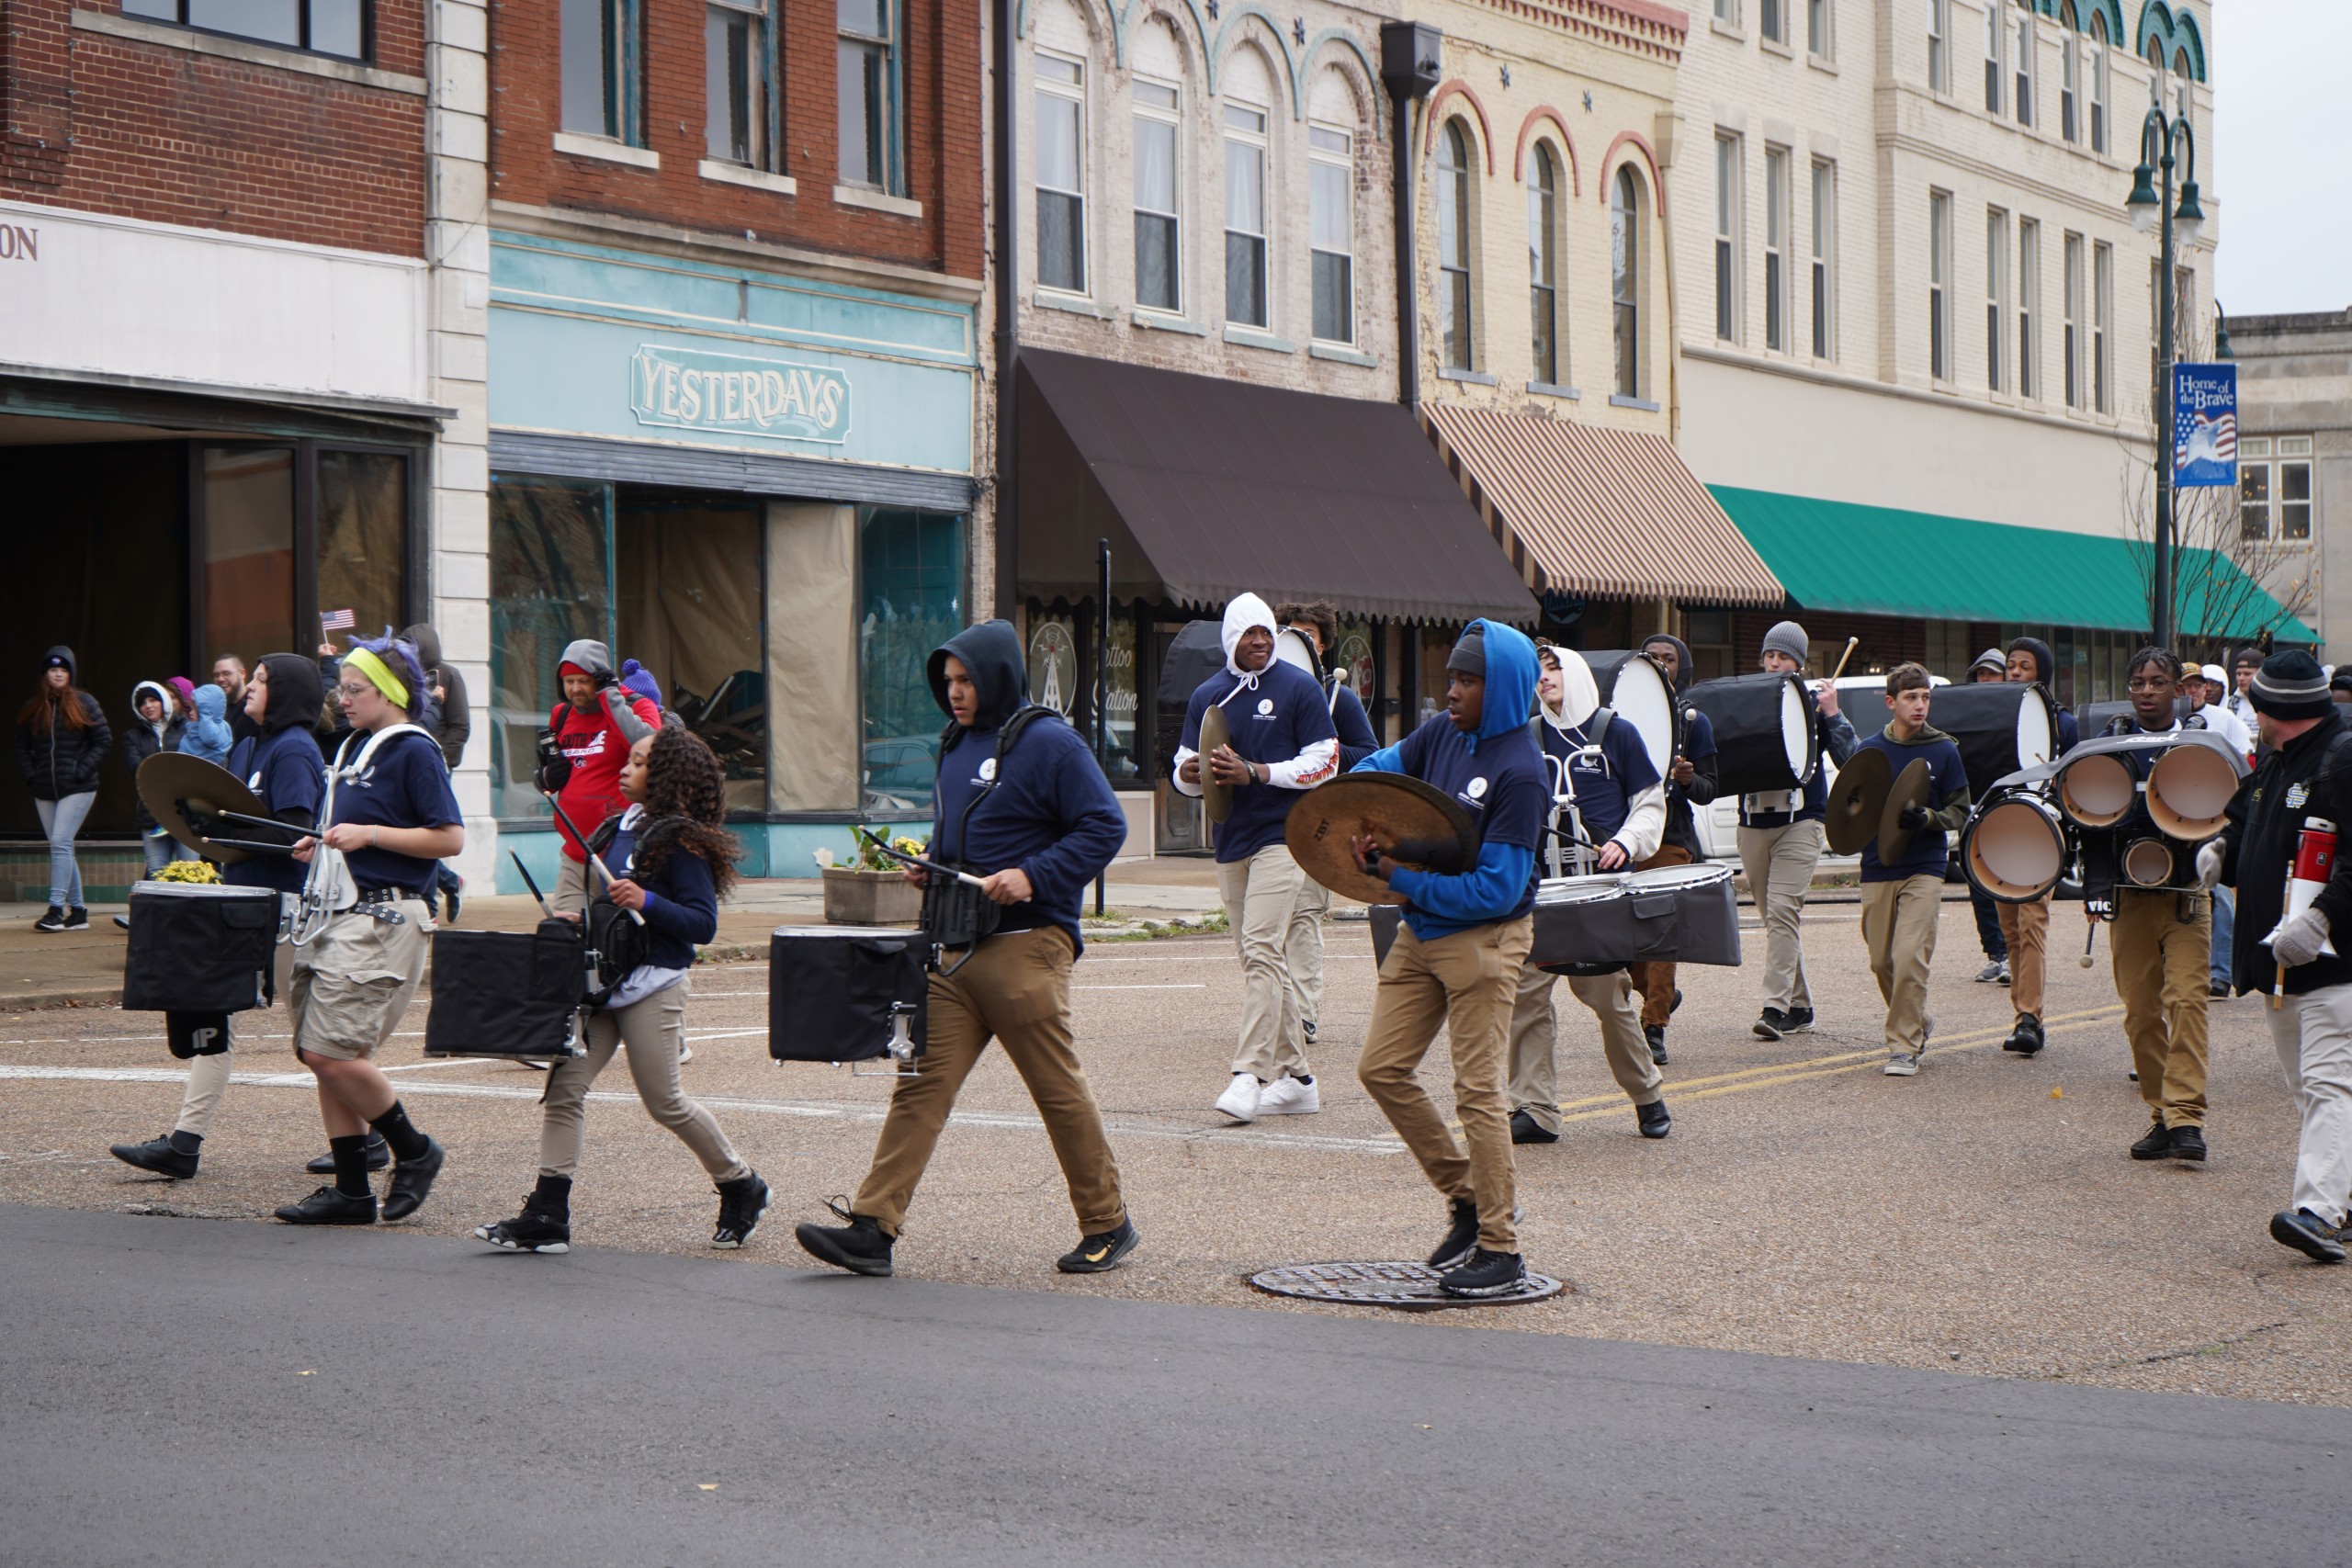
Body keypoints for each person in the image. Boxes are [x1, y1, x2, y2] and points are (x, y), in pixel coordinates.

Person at [795, 621, 1136, 1278]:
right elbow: (967, 838)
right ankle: (874, 1227)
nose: (954, 692)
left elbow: (1105, 826)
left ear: (997, 676)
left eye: (966, 680)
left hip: (1025, 945)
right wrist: (931, 862)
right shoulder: (957, 745)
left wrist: (1034, 874)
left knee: (1055, 1090)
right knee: (918, 1086)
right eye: (947, 681)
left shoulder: (1051, 744)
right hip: (954, 947)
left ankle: (1108, 1223)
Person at [476, 728, 769, 1255]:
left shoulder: (681, 841)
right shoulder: (617, 828)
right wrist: (576, 918)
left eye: (637, 763)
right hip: (604, 983)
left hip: (654, 983)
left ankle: (741, 1184)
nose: (625, 770)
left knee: (665, 1102)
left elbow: (702, 924)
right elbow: (605, 906)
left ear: (667, 779)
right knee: (565, 1089)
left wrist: (645, 901)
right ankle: (547, 1213)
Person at [1348, 621, 1548, 1298]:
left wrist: (1400, 880)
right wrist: (1356, 795)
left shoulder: (1520, 771)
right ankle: (1468, 1197)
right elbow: (1384, 765)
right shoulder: (1441, 734)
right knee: (1380, 1068)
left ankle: (1502, 1248)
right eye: (1452, 677)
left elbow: (1496, 887)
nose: (1451, 689)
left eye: (1467, 680)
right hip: (1421, 931)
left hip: (1484, 940)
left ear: (1504, 689)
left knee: (1479, 1093)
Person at [109, 655, 332, 1181]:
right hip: (239, 903)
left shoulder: (295, 749)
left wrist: (219, 830)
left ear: (285, 692)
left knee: (318, 1041)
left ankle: (376, 1139)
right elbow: (230, 817)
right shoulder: (249, 744)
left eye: (259, 679)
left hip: (282, 910)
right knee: (213, 1020)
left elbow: (291, 835)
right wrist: (199, 821)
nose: (249, 687)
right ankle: (184, 1144)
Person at [273, 633, 463, 1225]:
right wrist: (325, 844)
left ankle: (415, 1151)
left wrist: (369, 837)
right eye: (342, 689)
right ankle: (352, 1191)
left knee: (327, 1051)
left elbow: (449, 838)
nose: (343, 700)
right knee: (323, 1051)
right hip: (342, 911)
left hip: (384, 915)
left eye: (354, 690)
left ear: (388, 693)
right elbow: (357, 827)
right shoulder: (361, 745)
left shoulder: (414, 749)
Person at [1170, 593, 1339, 1122]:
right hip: (1231, 840)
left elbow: (1326, 760)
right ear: (1231, 640)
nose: (1261, 642)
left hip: (1285, 838)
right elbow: (1181, 764)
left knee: (1264, 946)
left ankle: (1249, 1074)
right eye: (1250, 635)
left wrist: (1259, 772)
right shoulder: (1208, 696)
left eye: (1266, 633)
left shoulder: (1299, 686)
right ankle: (1301, 1082)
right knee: (1256, 960)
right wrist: (1190, 776)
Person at [2209, 651, 2352, 1261]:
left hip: (2334, 959)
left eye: (2258, 704)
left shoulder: (2341, 758)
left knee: (2327, 1083)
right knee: (2309, 1088)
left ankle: (2319, 1212)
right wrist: (2222, 849)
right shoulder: (2277, 758)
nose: (2251, 711)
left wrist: (2323, 917)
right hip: (2279, 962)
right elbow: (2248, 819)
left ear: (2277, 710)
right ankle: (2342, 1201)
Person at [1507, 647, 1671, 1142]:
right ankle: (1535, 1109)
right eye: (1539, 672)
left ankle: (1647, 1095)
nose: (1545, 679)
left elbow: (1649, 804)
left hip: (1598, 889)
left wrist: (1625, 841)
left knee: (1608, 997)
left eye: (1554, 669)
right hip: (1541, 890)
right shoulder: (1526, 736)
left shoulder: (1616, 732)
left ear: (1574, 673)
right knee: (1526, 996)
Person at [2085, 648, 2212, 1164]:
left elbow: (2227, 809)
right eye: (2138, 681)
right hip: (2129, 895)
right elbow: (2086, 814)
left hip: (2185, 894)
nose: (2146, 690)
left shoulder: (2199, 743)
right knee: (2141, 1014)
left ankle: (2185, 1118)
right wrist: (2095, 885)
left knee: (2187, 1002)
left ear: (2177, 688)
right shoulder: (2112, 744)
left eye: (2158, 681)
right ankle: (2161, 1112)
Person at [1736, 622, 1859, 1040]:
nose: (1774, 663)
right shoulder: (1746, 700)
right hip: (1753, 820)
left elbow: (1852, 758)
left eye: (1784, 657)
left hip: (1802, 820)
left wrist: (1833, 713)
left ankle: (1774, 1008)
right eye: (1770, 655)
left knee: (1783, 912)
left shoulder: (1812, 703)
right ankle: (1801, 1006)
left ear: (1800, 664)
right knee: (1776, 920)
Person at [1274, 599, 1380, 1055]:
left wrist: (1326, 751)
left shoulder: (1341, 698)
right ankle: (1271, 1008)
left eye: (1309, 637)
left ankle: (1302, 1013)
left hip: (1316, 824)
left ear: (1323, 645)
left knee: (1301, 916)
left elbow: (1370, 755)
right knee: (1262, 925)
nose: (1300, 644)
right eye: (1291, 634)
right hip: (1266, 823)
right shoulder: (1261, 695)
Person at [1855, 664, 1971, 1076]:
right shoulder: (1869, 751)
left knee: (1908, 958)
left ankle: (1903, 1047)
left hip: (1925, 866)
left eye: (1925, 697)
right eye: (1911, 697)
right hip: (1877, 865)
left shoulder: (1944, 750)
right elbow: (1852, 809)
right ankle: (1918, 1020)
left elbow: (1960, 810)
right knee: (1881, 962)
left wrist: (1928, 819)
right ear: (1891, 702)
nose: (1920, 705)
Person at [1633, 632, 1717, 1063]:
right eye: (1653, 657)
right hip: (1624, 837)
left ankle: (1654, 1025)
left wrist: (1687, 780)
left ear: (1680, 667)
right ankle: (1658, 994)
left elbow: (1709, 788)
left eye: (1670, 658)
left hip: (1670, 839)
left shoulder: (1692, 720)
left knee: (1660, 932)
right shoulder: (1619, 716)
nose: (1662, 663)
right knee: (1623, 940)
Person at [1993, 638, 2079, 1055]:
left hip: (2042, 829)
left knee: (2032, 923)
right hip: (1998, 832)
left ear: (2039, 674)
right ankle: (2023, 1015)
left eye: (2024, 667)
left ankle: (2029, 1018)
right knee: (2010, 928)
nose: (2014, 672)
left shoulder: (2063, 722)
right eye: (2010, 665)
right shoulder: (1994, 718)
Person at [534, 640, 662, 916]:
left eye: (583, 680)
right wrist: (544, 777)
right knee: (565, 939)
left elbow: (649, 750)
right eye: (568, 681)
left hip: (619, 853)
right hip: (574, 853)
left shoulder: (639, 706)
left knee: (614, 943)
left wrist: (611, 698)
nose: (575, 689)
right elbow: (548, 771)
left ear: (600, 678)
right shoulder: (562, 713)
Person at [17, 647, 109, 933]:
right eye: (53, 669)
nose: (58, 673)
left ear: (70, 674)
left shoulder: (84, 702)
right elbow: (21, 745)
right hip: (45, 788)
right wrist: (31, 776)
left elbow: (103, 740)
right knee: (62, 847)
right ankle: (78, 911)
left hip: (79, 787)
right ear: (45, 673)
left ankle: (56, 909)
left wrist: (81, 770)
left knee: (59, 843)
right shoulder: (33, 707)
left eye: (64, 669)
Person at [2188, 662, 2254, 1000]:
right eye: (2187, 685)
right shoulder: (2170, 725)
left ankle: (2220, 974)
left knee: (2221, 895)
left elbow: (2245, 760)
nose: (2194, 691)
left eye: (2199, 685)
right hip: (2181, 817)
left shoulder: (2225, 719)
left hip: (2219, 815)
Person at [1964, 649, 2013, 985]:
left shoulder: (2015, 712)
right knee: (1979, 885)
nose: (1985, 680)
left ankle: (2014, 953)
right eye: (1980, 674)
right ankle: (1996, 954)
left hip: (2010, 809)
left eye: (1992, 674)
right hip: (1974, 809)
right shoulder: (1967, 717)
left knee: (2008, 882)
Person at [122, 681, 195, 877]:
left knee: (190, 872)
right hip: (152, 813)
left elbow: (193, 766)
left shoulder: (187, 728)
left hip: (186, 814)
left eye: (153, 699)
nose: (148, 705)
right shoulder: (132, 736)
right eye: (143, 703)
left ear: (163, 701)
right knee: (156, 873)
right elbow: (138, 769)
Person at [177, 682, 233, 769]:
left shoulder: (220, 729)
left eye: (195, 709)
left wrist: (206, 717)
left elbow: (209, 738)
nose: (190, 713)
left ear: (205, 711)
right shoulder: (190, 729)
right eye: (190, 709)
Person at [212, 654, 259, 744]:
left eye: (226, 673)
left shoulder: (253, 707)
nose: (220, 679)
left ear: (242, 674)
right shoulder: (215, 710)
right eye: (216, 675)